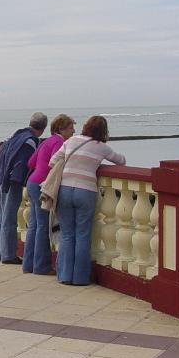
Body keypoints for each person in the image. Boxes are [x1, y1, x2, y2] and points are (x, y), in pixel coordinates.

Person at [50, 115, 125, 286]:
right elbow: (121, 161)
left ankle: (65, 275)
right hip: (86, 191)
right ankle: (80, 278)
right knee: (82, 234)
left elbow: (53, 161)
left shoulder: (71, 141)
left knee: (67, 234)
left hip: (65, 189)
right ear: (103, 131)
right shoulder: (102, 147)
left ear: (85, 127)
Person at [0, 112, 48, 264]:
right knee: (9, 217)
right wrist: (21, 182)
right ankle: (8, 254)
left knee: (1, 215)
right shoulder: (30, 141)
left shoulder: (17, 135)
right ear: (44, 127)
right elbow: (22, 163)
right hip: (11, 181)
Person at [22, 114, 75, 275]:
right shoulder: (59, 142)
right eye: (71, 128)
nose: (73, 131)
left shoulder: (46, 141)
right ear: (61, 129)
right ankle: (41, 266)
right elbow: (55, 163)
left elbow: (30, 162)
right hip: (42, 185)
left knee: (34, 225)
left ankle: (28, 264)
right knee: (42, 226)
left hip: (32, 182)